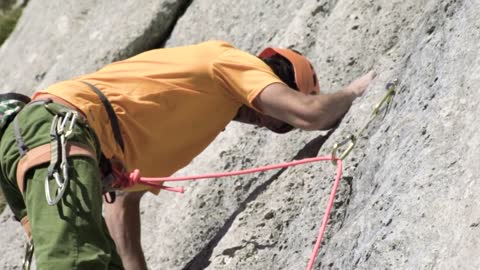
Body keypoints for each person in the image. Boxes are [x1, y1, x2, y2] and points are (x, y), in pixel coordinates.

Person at [0, 40, 376, 269]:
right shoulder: (229, 60)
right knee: (73, 264)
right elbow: (313, 114)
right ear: (274, 80)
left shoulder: (197, 115)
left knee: (88, 260)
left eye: (278, 127)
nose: (266, 122)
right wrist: (356, 91)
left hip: (48, 148)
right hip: (59, 131)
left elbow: (122, 205)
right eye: (279, 118)